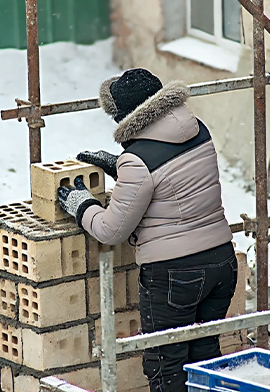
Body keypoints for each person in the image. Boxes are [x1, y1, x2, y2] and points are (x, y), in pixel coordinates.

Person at [57, 68, 237, 392]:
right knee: (205, 358)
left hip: (176, 276)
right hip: (222, 263)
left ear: (128, 118)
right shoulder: (199, 130)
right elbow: (172, 175)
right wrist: (119, 165)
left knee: (166, 366)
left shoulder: (137, 161)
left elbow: (111, 230)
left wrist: (81, 205)